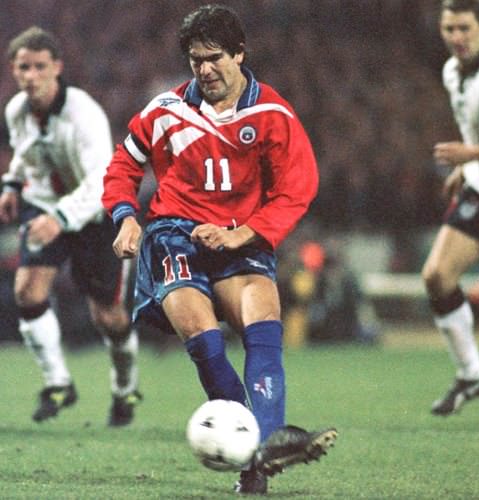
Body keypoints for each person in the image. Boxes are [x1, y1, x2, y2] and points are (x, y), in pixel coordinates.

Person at [102, 4, 337, 495]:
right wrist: (125, 216)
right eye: (196, 60)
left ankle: (259, 457)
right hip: (173, 234)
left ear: (239, 54)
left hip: (238, 237)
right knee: (201, 330)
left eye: (214, 58)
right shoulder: (165, 110)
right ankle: (263, 444)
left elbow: (298, 187)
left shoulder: (270, 114)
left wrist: (244, 233)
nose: (205, 69)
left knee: (263, 318)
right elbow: (124, 165)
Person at [0, 26, 142, 426]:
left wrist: (60, 219)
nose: (31, 76)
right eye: (23, 67)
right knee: (28, 291)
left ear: (57, 68)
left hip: (94, 216)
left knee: (108, 316)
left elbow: (101, 181)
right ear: (13, 69)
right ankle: (58, 382)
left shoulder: (84, 114)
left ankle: (125, 387)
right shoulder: (17, 110)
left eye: (39, 67)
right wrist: (12, 185)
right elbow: (25, 155)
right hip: (45, 206)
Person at [422, 0, 479, 416]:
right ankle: (472, 374)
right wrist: (467, 169)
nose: (457, 37)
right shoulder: (452, 71)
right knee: (437, 276)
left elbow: (477, 142)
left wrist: (471, 155)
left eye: (464, 28)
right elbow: (478, 128)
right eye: (449, 29)